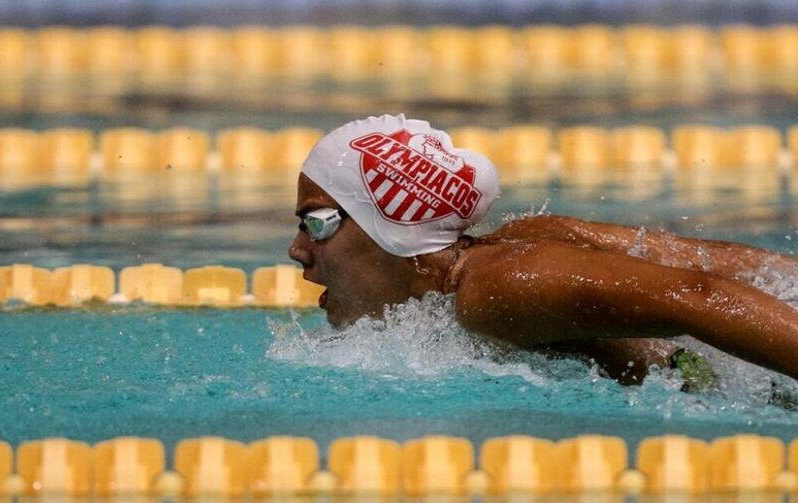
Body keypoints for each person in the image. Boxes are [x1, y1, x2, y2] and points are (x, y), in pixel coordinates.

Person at [288, 114, 798, 383]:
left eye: (315, 222)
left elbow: (699, 291)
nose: (297, 250)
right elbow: (715, 262)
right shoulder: (523, 242)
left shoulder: (499, 287)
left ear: (391, 225)